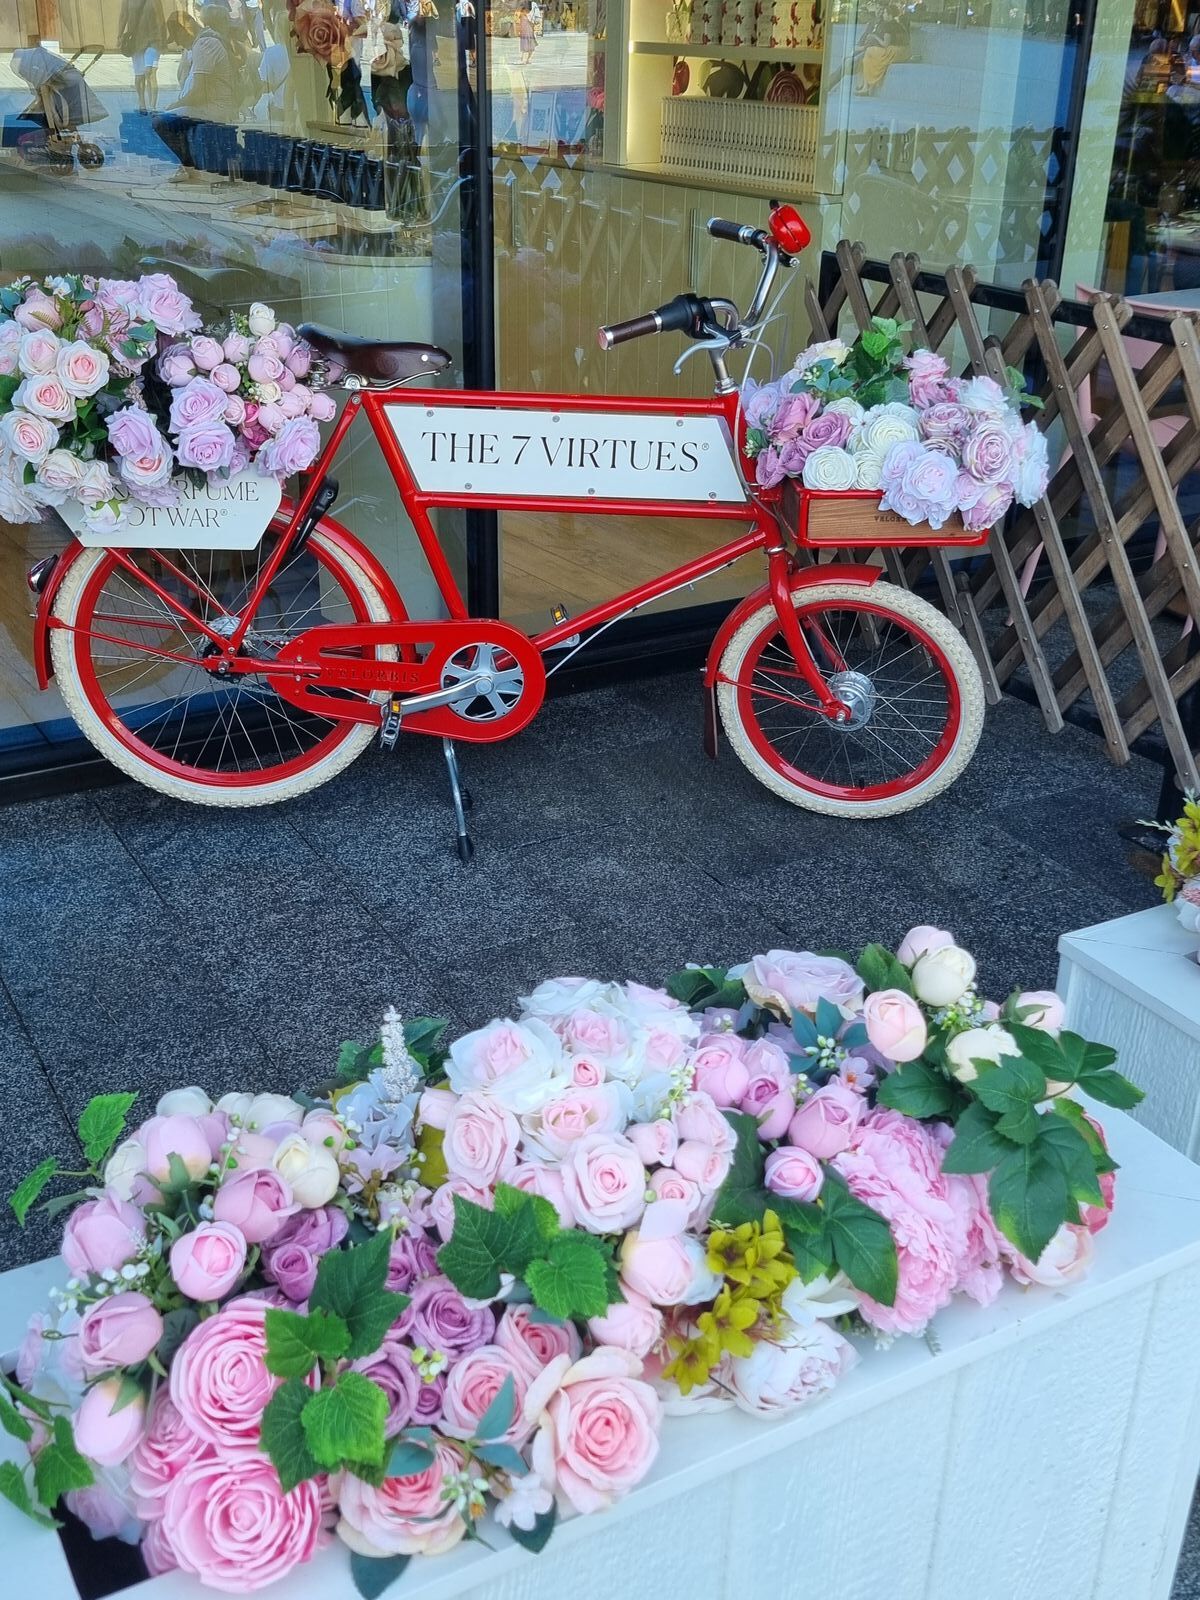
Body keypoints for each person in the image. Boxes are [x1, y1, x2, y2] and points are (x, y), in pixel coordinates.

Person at [118, 0, 168, 112]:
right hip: (135, 41)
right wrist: (119, 36)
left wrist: (163, 41)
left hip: (153, 40)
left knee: (150, 73)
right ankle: (142, 104)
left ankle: (152, 107)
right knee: (139, 76)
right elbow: (123, 15)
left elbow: (160, 18)